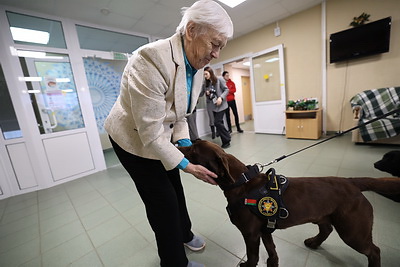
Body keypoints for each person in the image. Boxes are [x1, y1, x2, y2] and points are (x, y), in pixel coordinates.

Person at [104, 1, 233, 267]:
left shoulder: (195, 67)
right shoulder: (149, 59)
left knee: (175, 187)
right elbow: (150, 135)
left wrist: (186, 147)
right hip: (133, 140)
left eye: (222, 47)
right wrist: (189, 165)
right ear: (192, 30)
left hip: (158, 134)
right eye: (215, 44)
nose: (217, 54)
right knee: (162, 201)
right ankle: (174, 262)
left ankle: (183, 233)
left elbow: (181, 115)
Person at [201, 66, 231, 148]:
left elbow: (226, 90)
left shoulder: (219, 79)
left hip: (221, 105)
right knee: (219, 123)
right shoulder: (206, 83)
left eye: (206, 74)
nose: (205, 76)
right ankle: (226, 137)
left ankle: (227, 139)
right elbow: (200, 94)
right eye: (204, 75)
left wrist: (221, 97)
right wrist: (205, 91)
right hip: (213, 107)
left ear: (210, 73)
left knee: (217, 122)